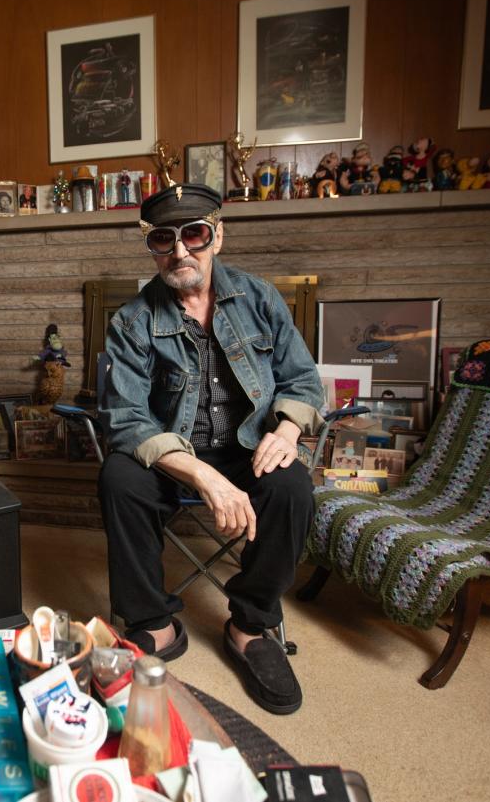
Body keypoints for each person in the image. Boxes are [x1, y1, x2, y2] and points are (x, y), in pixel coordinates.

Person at [98, 183, 322, 715]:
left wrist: (287, 432)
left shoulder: (262, 298)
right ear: (150, 248)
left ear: (217, 236)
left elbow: (304, 381)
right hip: (174, 456)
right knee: (118, 479)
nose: (180, 252)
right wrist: (202, 475)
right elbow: (124, 416)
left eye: (194, 234)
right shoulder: (131, 320)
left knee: (292, 486)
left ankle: (251, 626)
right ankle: (154, 623)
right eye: (163, 240)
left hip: (252, 446)